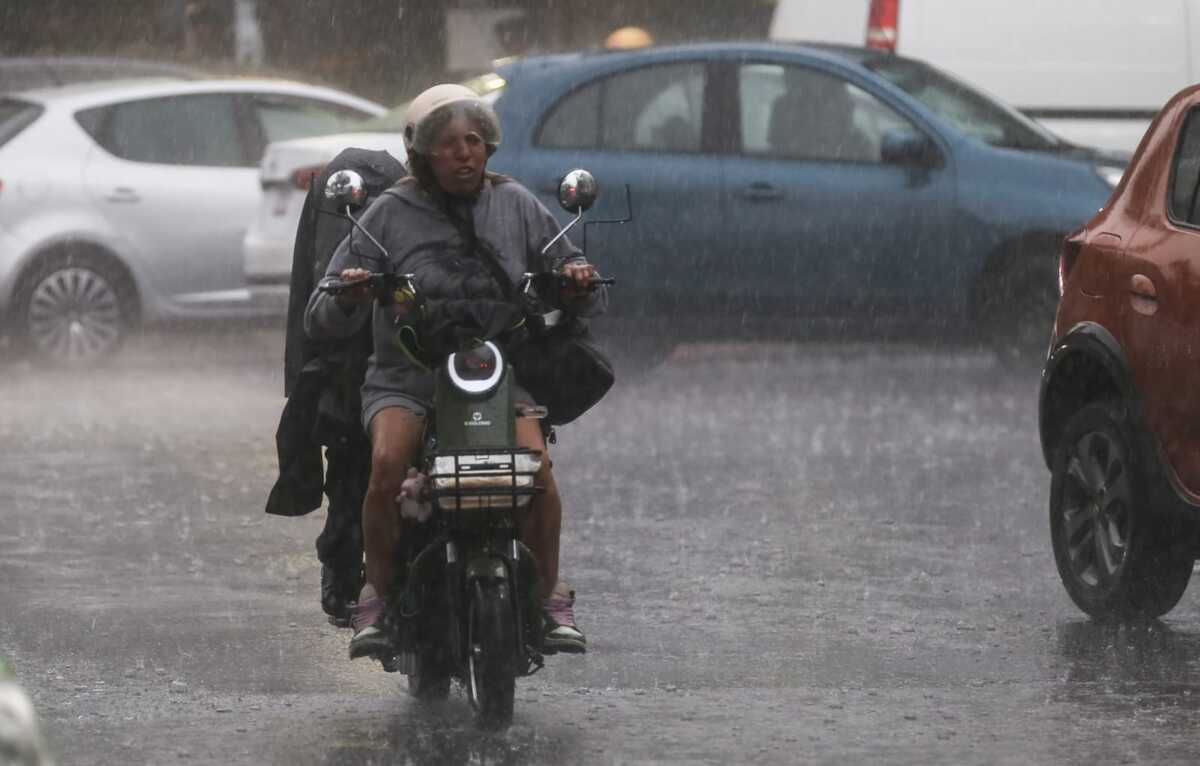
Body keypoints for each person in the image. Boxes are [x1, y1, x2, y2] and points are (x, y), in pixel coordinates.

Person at [304, 83, 606, 659]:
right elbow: (320, 315)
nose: (464, 153)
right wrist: (351, 295)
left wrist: (577, 280)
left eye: (474, 141)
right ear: (422, 154)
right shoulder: (385, 213)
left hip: (495, 377)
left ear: (488, 148)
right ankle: (378, 598)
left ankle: (547, 597)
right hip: (405, 377)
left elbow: (579, 281)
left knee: (536, 469)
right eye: (448, 144)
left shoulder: (516, 203)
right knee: (389, 464)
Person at [266, 149, 407, 626]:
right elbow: (315, 301)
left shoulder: (493, 202)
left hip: (429, 359)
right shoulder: (359, 213)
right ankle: (346, 566)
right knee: (353, 462)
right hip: (361, 369)